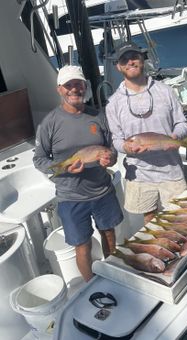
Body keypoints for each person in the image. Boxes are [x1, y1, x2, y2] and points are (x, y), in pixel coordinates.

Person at [33, 65, 123, 282]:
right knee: (82, 246)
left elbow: (111, 149)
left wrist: (110, 158)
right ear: (59, 90)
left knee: (109, 234)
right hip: (71, 198)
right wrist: (64, 167)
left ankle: (114, 275)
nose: (74, 89)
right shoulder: (49, 123)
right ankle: (90, 283)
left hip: (102, 190)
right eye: (68, 85)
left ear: (85, 87)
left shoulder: (98, 116)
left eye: (78, 84)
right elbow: (39, 159)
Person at [106, 42, 187, 225]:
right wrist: (126, 146)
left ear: (143, 59)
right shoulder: (113, 103)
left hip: (171, 171)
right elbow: (117, 139)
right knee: (149, 220)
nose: (130, 62)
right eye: (124, 59)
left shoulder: (165, 91)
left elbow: (181, 122)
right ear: (118, 66)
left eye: (134, 57)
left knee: (179, 220)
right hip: (139, 175)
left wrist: (176, 137)